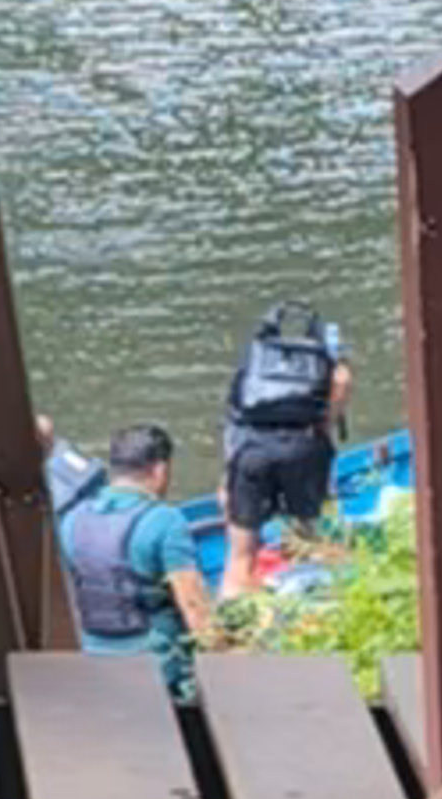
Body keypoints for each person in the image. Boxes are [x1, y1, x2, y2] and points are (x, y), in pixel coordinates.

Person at [46, 419, 215, 695]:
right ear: (160, 470)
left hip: (90, 656)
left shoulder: (72, 519)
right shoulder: (165, 521)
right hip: (154, 664)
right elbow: (194, 607)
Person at [220, 297, 352, 591]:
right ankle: (316, 608)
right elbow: (341, 386)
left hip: (251, 452)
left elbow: (233, 419)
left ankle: (230, 627)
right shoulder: (323, 357)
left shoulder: (255, 358)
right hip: (303, 449)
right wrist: (324, 426)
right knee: (310, 539)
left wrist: (227, 480)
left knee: (240, 555)